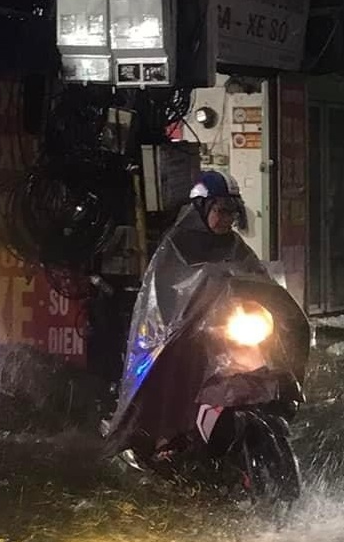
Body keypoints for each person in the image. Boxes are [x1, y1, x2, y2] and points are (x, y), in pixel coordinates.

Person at [105, 171, 267, 456]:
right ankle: (165, 437)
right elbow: (165, 293)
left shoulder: (234, 245)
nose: (227, 219)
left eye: (232, 212)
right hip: (182, 332)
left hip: (222, 328)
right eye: (221, 211)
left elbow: (257, 277)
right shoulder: (177, 243)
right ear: (202, 208)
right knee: (178, 364)